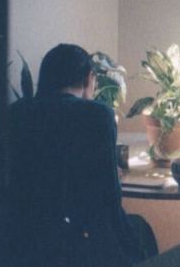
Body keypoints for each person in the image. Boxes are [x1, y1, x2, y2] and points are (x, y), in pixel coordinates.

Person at [8, 44, 157, 266]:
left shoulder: (16, 113)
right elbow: (107, 201)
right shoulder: (97, 115)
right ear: (89, 78)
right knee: (140, 230)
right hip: (75, 242)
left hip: (23, 241)